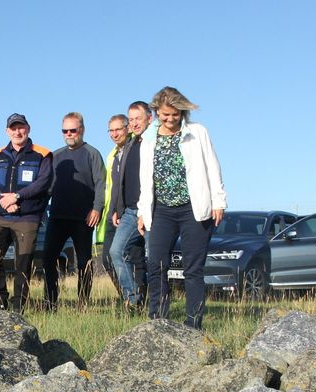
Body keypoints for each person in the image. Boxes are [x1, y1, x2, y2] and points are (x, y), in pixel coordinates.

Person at [137, 87, 226, 330]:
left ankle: (193, 325)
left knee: (193, 269)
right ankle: (158, 322)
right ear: (156, 112)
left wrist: (219, 200)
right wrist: (142, 211)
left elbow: (212, 167)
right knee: (156, 265)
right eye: (165, 115)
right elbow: (145, 178)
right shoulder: (147, 138)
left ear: (182, 112)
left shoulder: (197, 132)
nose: (170, 119)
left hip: (193, 209)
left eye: (175, 115)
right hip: (161, 210)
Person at [0, 113, 53, 313]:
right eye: (13, 128)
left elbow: (43, 183)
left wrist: (17, 197)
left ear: (28, 129)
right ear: (7, 131)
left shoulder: (42, 154)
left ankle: (18, 308)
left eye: (21, 127)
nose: (17, 132)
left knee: (23, 262)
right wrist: (4, 200)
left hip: (27, 217)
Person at [44, 113, 106, 310]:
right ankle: (50, 302)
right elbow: (48, 187)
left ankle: (82, 303)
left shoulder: (92, 153)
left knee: (84, 263)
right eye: (65, 131)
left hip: (83, 219)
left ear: (82, 130)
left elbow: (101, 184)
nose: (69, 134)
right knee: (48, 259)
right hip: (57, 217)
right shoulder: (56, 156)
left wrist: (97, 208)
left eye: (73, 130)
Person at [110, 101, 153, 311]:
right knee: (116, 251)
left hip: (152, 210)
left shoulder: (154, 142)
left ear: (149, 119)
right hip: (129, 211)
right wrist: (117, 208)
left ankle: (157, 304)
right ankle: (133, 299)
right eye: (132, 119)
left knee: (154, 258)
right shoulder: (129, 146)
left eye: (138, 118)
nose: (135, 123)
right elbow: (120, 182)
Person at [97, 114, 129, 293]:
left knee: (128, 258)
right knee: (107, 260)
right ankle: (125, 297)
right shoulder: (112, 154)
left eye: (118, 129)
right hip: (111, 214)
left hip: (128, 213)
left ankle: (136, 299)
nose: (115, 134)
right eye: (111, 130)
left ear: (127, 128)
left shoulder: (134, 149)